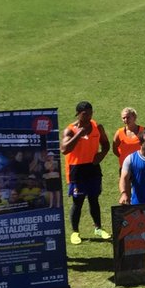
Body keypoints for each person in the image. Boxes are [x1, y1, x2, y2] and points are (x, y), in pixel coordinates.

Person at [61, 100, 111, 244]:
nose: (88, 116)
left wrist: (100, 156)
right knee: (78, 202)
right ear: (78, 114)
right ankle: (75, 232)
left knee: (94, 199)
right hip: (76, 169)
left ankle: (98, 228)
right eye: (85, 114)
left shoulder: (97, 127)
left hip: (93, 168)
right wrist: (79, 134)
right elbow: (65, 149)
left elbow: (106, 144)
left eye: (90, 113)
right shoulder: (70, 130)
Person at [112, 107, 144, 178]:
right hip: (125, 168)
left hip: (141, 167)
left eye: (128, 117)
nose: (126, 120)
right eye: (123, 118)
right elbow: (114, 149)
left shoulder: (143, 131)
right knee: (125, 189)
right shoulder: (119, 133)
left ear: (134, 117)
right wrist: (123, 157)